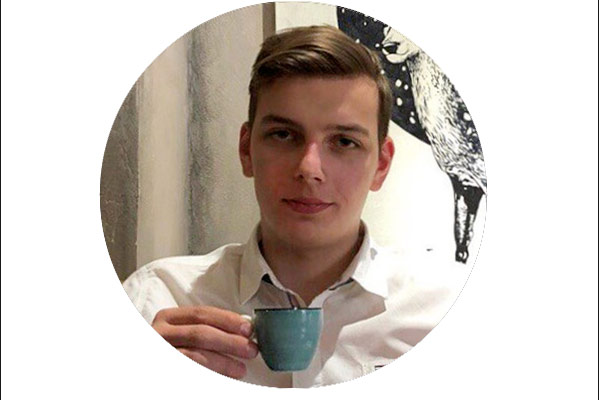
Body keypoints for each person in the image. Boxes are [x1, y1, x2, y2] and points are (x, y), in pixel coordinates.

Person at [122, 25, 468, 388]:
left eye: (344, 142)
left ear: (381, 166)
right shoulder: (157, 299)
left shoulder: (446, 309)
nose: (309, 169)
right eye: (284, 135)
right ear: (246, 150)